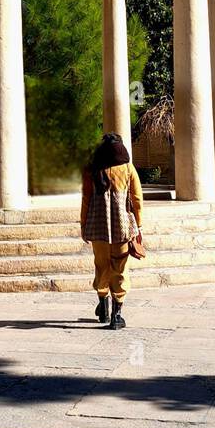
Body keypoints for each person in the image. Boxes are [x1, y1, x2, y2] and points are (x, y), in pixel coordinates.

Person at [79, 133, 145, 329]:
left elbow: (86, 199)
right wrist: (139, 225)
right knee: (120, 267)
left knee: (101, 265)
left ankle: (103, 307)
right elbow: (137, 198)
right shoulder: (127, 168)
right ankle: (117, 315)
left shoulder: (91, 169)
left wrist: (83, 225)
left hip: (97, 226)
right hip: (122, 227)